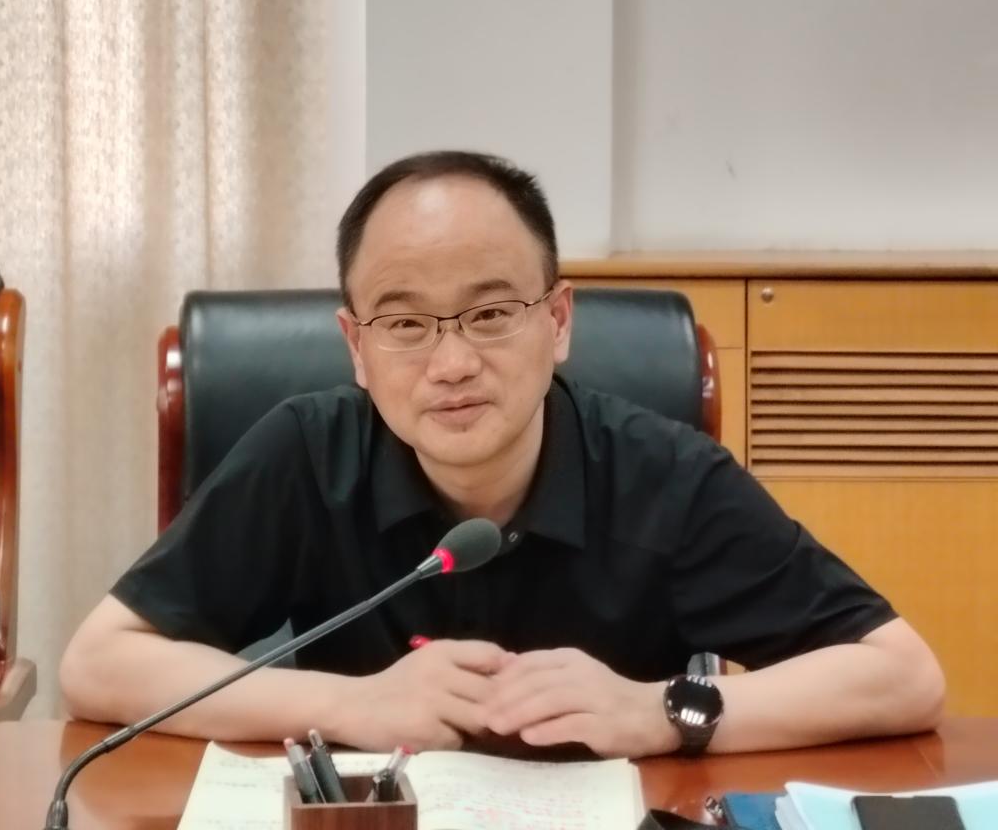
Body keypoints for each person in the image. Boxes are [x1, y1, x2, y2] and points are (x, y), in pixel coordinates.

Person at [60, 151, 944, 757]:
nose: (451, 364)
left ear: (557, 322)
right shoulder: (306, 456)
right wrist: (350, 703)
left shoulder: (662, 476)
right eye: (405, 324)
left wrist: (658, 711)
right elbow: (99, 663)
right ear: (357, 347)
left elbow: (902, 675)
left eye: (489, 315)